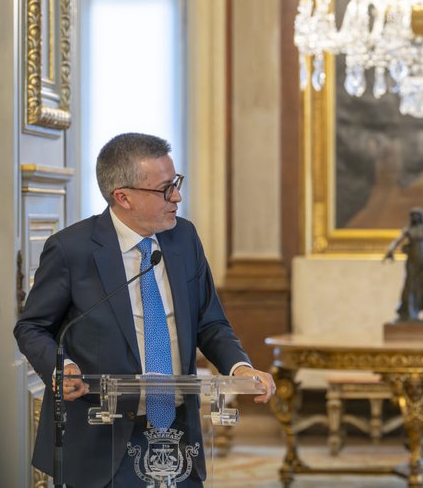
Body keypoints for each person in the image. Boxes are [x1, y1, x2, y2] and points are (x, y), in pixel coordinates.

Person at [14, 133, 276, 487]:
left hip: (177, 436)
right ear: (123, 197)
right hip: (100, 437)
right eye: (165, 189)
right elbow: (31, 327)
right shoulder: (71, 249)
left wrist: (240, 366)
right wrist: (62, 368)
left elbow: (209, 321)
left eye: (176, 182)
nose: (177, 197)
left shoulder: (184, 238)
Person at [384, 207, 423, 321]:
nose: (415, 217)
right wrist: (390, 251)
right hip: (412, 263)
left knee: (422, 287)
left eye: (417, 215)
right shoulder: (408, 231)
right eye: (413, 215)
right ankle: (409, 313)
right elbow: (396, 242)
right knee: (410, 286)